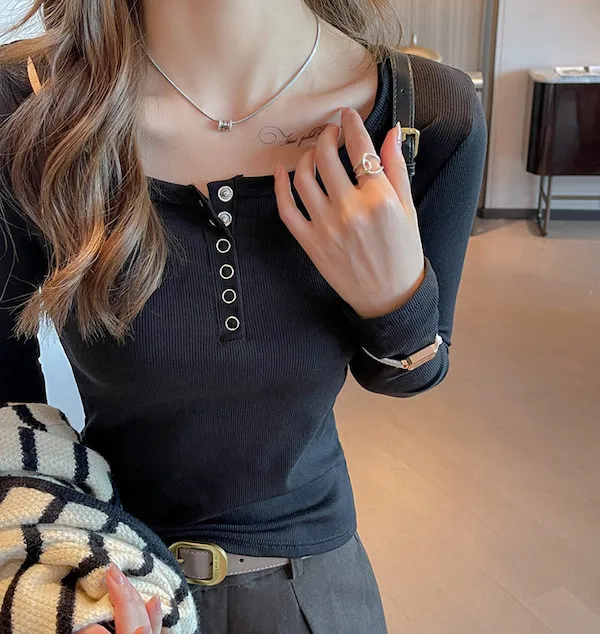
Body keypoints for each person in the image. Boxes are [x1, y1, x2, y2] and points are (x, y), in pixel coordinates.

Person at [0, 0, 487, 632]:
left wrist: (397, 300)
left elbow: (409, 371)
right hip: (109, 583)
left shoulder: (427, 114)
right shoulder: (26, 105)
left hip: (313, 593)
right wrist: (43, 595)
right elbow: (8, 397)